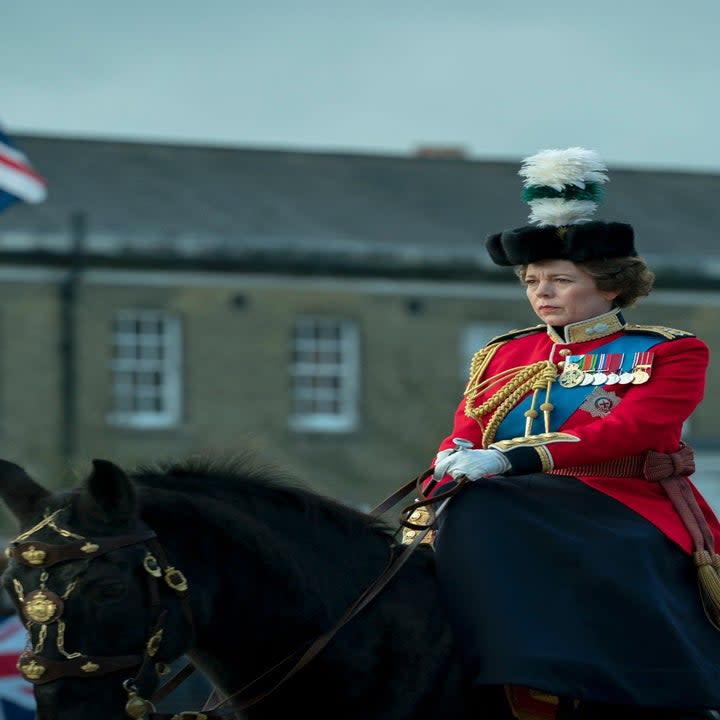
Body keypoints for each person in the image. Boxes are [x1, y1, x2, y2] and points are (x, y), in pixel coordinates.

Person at [422, 147, 720, 720]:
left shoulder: (669, 350)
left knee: (499, 517)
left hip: (621, 498)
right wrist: (453, 457)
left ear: (611, 287)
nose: (542, 292)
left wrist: (511, 461)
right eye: (532, 280)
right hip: (505, 493)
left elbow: (635, 428)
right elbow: (469, 426)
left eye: (561, 278)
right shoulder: (503, 352)